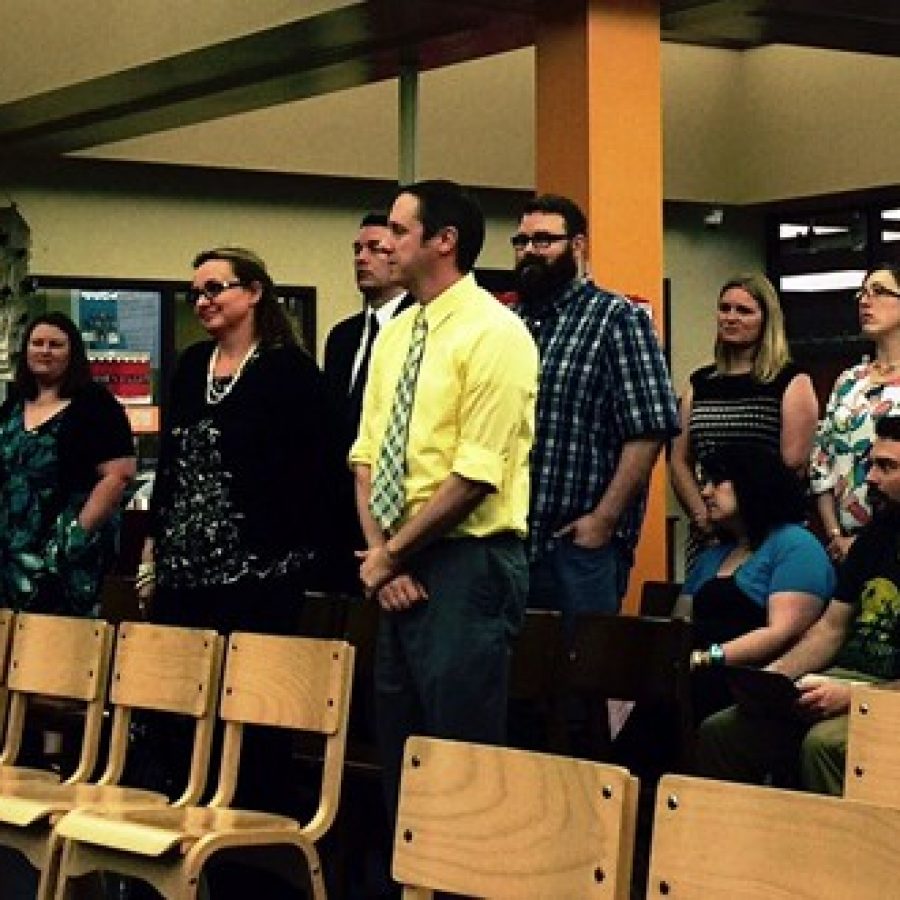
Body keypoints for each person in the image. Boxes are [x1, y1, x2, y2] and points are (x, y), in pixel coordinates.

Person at [134, 248, 333, 897]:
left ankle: (256, 868)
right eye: (195, 291)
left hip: (260, 575)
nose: (202, 300)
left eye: (214, 288)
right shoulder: (192, 367)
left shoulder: (288, 373)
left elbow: (314, 472)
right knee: (177, 716)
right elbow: (170, 465)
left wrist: (290, 554)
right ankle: (187, 854)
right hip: (187, 573)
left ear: (253, 293)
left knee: (251, 724)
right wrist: (152, 547)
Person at [350, 180, 538, 829]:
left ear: (444, 241)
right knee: (403, 764)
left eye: (400, 231)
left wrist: (393, 554)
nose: (385, 242)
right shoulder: (396, 336)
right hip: (398, 567)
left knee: (459, 764)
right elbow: (366, 456)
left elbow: (476, 474)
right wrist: (386, 558)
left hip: (468, 564)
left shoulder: (496, 332)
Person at [696, 415, 900, 795]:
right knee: (722, 732)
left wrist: (857, 698)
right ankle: (734, 850)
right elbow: (830, 629)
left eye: (886, 466)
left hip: (884, 695)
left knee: (824, 745)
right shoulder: (877, 537)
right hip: (843, 677)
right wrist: (773, 680)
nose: (870, 478)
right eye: (871, 463)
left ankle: (826, 853)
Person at [511, 193, 679, 627]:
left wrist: (603, 521)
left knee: (576, 685)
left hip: (577, 546)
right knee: (512, 686)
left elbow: (650, 428)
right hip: (509, 542)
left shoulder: (617, 319)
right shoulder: (508, 324)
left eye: (544, 240)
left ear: (578, 246)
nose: (530, 251)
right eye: (522, 241)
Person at [670, 273, 818, 561]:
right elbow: (679, 460)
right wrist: (703, 516)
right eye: (724, 308)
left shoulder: (790, 380)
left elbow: (792, 467)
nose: (731, 317)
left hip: (766, 533)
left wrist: (747, 522)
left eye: (744, 310)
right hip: (709, 531)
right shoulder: (700, 383)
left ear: (766, 319)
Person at [678, 445, 833, 720]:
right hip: (690, 675)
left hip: (750, 682)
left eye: (717, 481)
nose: (705, 493)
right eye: (704, 483)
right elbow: (679, 622)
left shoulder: (794, 545)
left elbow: (781, 633)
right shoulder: (714, 554)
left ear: (752, 482)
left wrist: (706, 658)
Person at [0, 311, 135, 615]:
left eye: (55, 345)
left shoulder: (95, 404)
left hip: (65, 558)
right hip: (11, 555)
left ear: (72, 353)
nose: (44, 351)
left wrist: (74, 539)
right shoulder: (13, 404)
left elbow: (118, 476)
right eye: (37, 343)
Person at [323, 212, 414, 587]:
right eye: (357, 250)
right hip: (339, 510)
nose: (362, 258)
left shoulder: (419, 327)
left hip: (395, 506)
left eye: (375, 249)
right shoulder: (343, 337)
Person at [811, 264, 900, 564]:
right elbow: (821, 465)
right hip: (845, 544)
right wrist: (836, 535)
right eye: (862, 292)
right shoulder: (849, 382)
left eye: (879, 292)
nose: (865, 300)